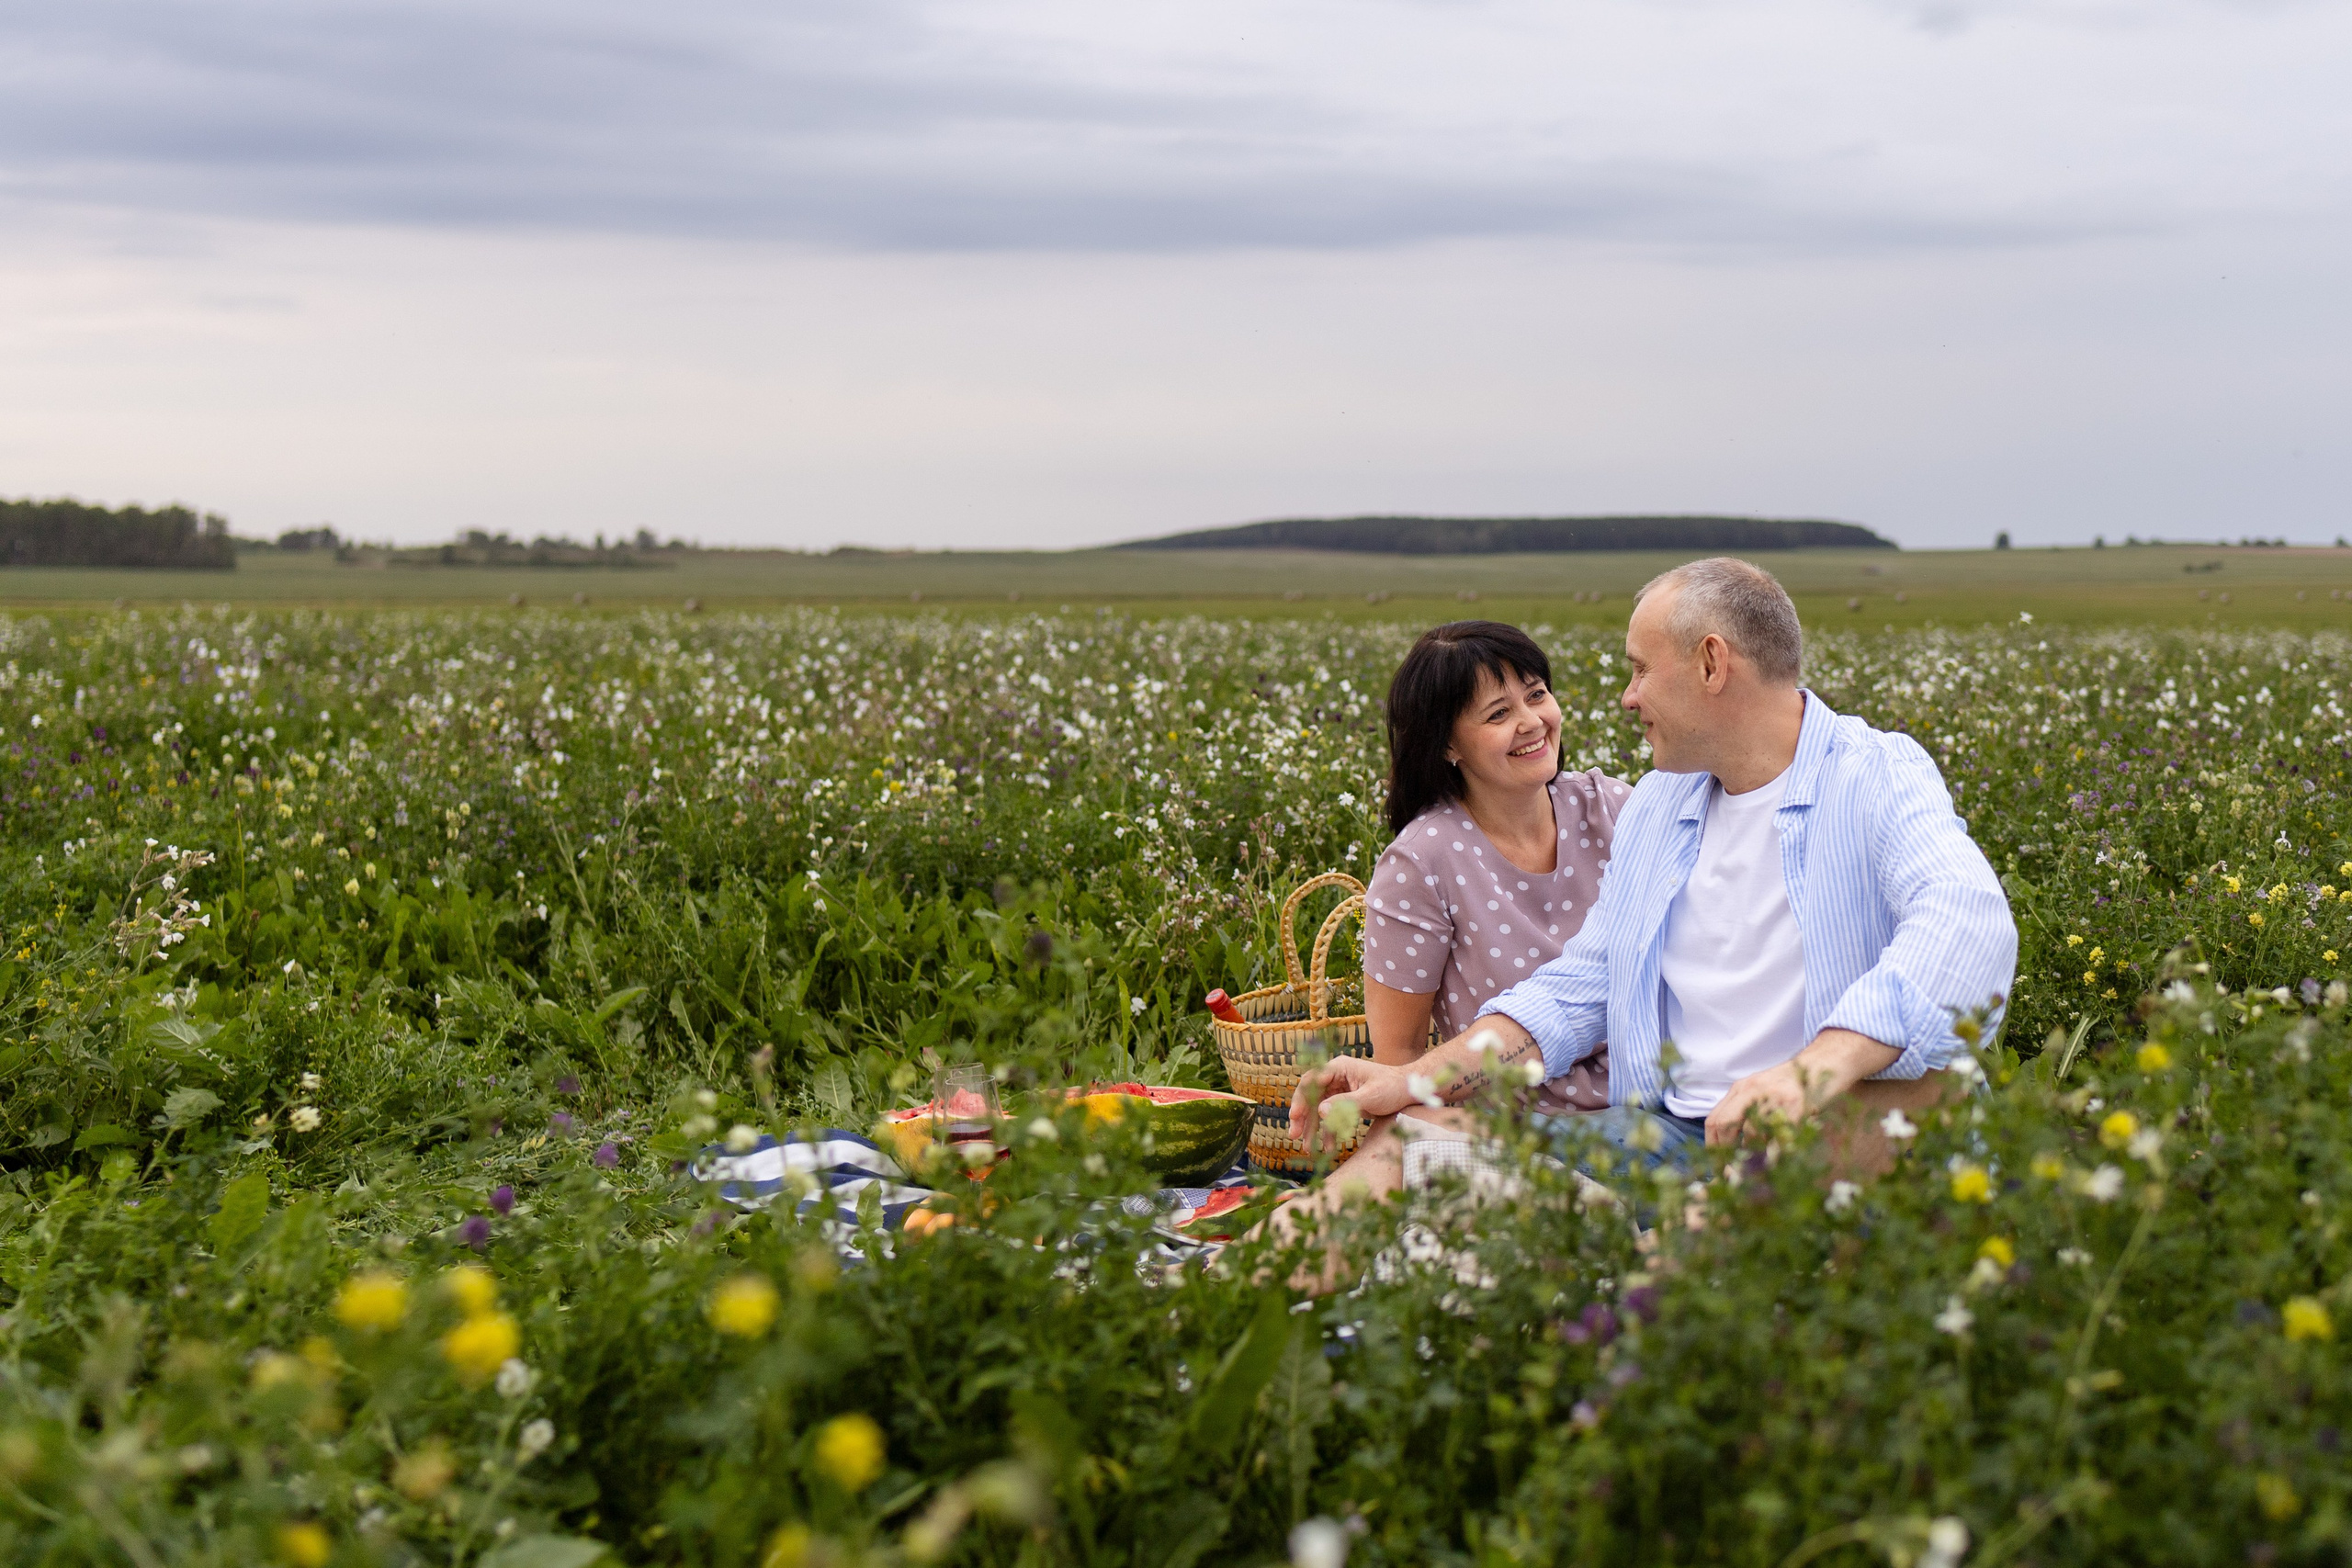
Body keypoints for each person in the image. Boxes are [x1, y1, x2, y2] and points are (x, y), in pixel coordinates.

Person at [1292, 557, 2017, 1180]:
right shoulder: (1662, 803)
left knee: (1683, 1248)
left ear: (1711, 663)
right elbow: (1581, 988)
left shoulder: (1876, 774)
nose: (1626, 695)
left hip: (1825, 1134)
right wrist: (1413, 1080)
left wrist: (1811, 1071)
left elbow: (1965, 922)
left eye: (1640, 669)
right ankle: (1225, 1288)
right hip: (1665, 1138)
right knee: (1410, 1150)